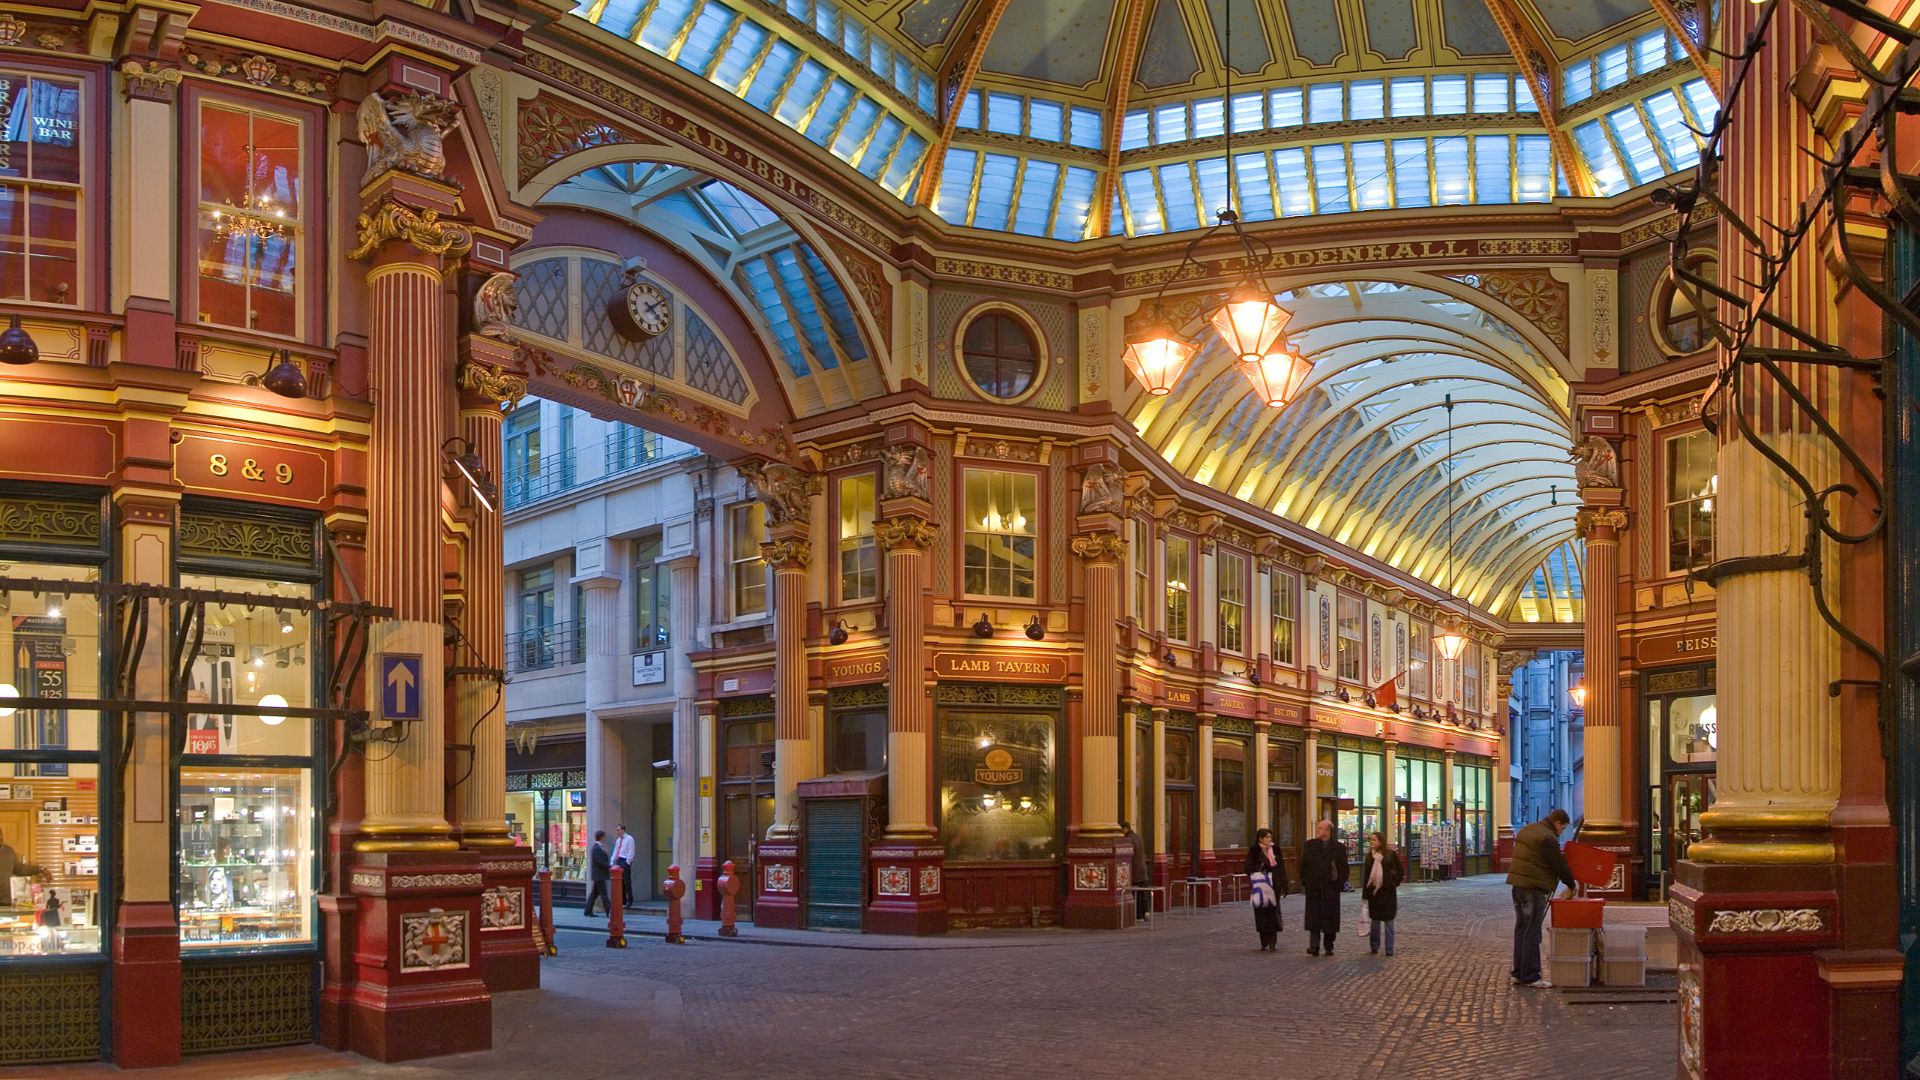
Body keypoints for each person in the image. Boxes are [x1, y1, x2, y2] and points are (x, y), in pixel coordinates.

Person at [1507, 808, 1578, 988]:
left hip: (1518, 886)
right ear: (1557, 823)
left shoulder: (1528, 829)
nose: (1561, 832)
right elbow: (1558, 863)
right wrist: (1571, 884)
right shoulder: (1547, 837)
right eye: (1562, 829)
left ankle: (1518, 973)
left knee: (1522, 929)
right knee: (1532, 931)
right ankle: (1531, 976)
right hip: (1534, 887)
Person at [1301, 819, 1347, 956]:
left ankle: (1329, 946)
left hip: (1331, 889)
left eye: (1321, 828)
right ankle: (1314, 946)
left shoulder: (1338, 847)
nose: (1318, 830)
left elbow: (1344, 868)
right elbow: (1304, 865)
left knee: (1330, 919)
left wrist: (1338, 884)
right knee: (1314, 919)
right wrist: (1306, 882)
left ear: (1328, 831)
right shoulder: (1310, 845)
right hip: (1314, 888)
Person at [1244, 827, 1290, 952]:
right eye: (1267, 837)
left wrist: (1285, 885)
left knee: (1273, 913)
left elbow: (1281, 868)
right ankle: (1263, 941)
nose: (1270, 839)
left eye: (1270, 837)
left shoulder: (1275, 850)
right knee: (1261, 914)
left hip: (1274, 885)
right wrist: (1259, 867)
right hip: (1260, 887)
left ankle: (1272, 942)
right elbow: (1247, 868)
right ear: (1260, 838)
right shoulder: (1254, 851)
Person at [1361, 832, 1404, 956]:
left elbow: (1400, 871)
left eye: (1374, 840)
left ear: (1381, 841)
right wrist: (1365, 894)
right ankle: (1374, 946)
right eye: (1371, 840)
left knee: (1389, 921)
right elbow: (1367, 876)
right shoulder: (1369, 856)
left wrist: (1393, 882)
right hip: (1374, 893)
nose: (1372, 842)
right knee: (1375, 921)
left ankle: (1389, 949)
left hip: (1388, 892)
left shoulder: (1390, 854)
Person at [0, 827, 44, 906]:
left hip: (6, 901)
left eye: (0, 834)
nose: (0, 837)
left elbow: (20, 869)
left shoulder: (8, 851)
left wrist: (40, 869)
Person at [1121, 820, 1149, 922]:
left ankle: (1139, 915)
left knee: (1136, 894)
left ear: (1125, 829)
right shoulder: (1138, 836)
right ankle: (1146, 912)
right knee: (1143, 893)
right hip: (1142, 869)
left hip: (1135, 870)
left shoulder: (1128, 839)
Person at [583, 830, 612, 917]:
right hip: (599, 875)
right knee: (604, 894)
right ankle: (609, 912)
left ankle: (587, 911)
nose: (605, 838)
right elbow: (599, 861)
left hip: (598, 875)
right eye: (604, 837)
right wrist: (610, 866)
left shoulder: (599, 847)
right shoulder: (596, 848)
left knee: (594, 894)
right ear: (601, 837)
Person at [612, 824, 637, 908]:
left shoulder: (629, 839)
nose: (617, 832)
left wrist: (628, 862)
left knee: (627, 882)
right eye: (617, 830)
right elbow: (615, 851)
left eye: (618, 830)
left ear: (623, 830)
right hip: (619, 861)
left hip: (624, 861)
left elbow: (631, 851)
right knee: (620, 882)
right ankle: (623, 900)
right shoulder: (618, 840)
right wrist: (612, 862)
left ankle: (630, 900)